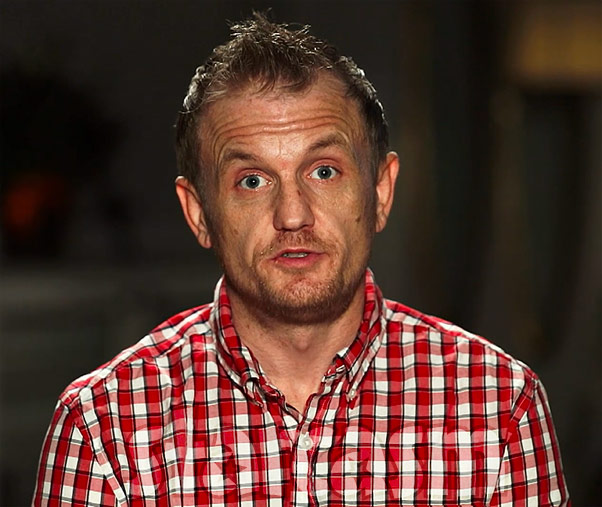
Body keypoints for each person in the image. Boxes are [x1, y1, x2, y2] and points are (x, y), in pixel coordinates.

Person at [33, 13, 570, 506]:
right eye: (252, 180)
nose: (293, 214)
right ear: (199, 214)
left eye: (324, 171)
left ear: (380, 192)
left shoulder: (498, 405)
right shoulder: (105, 427)